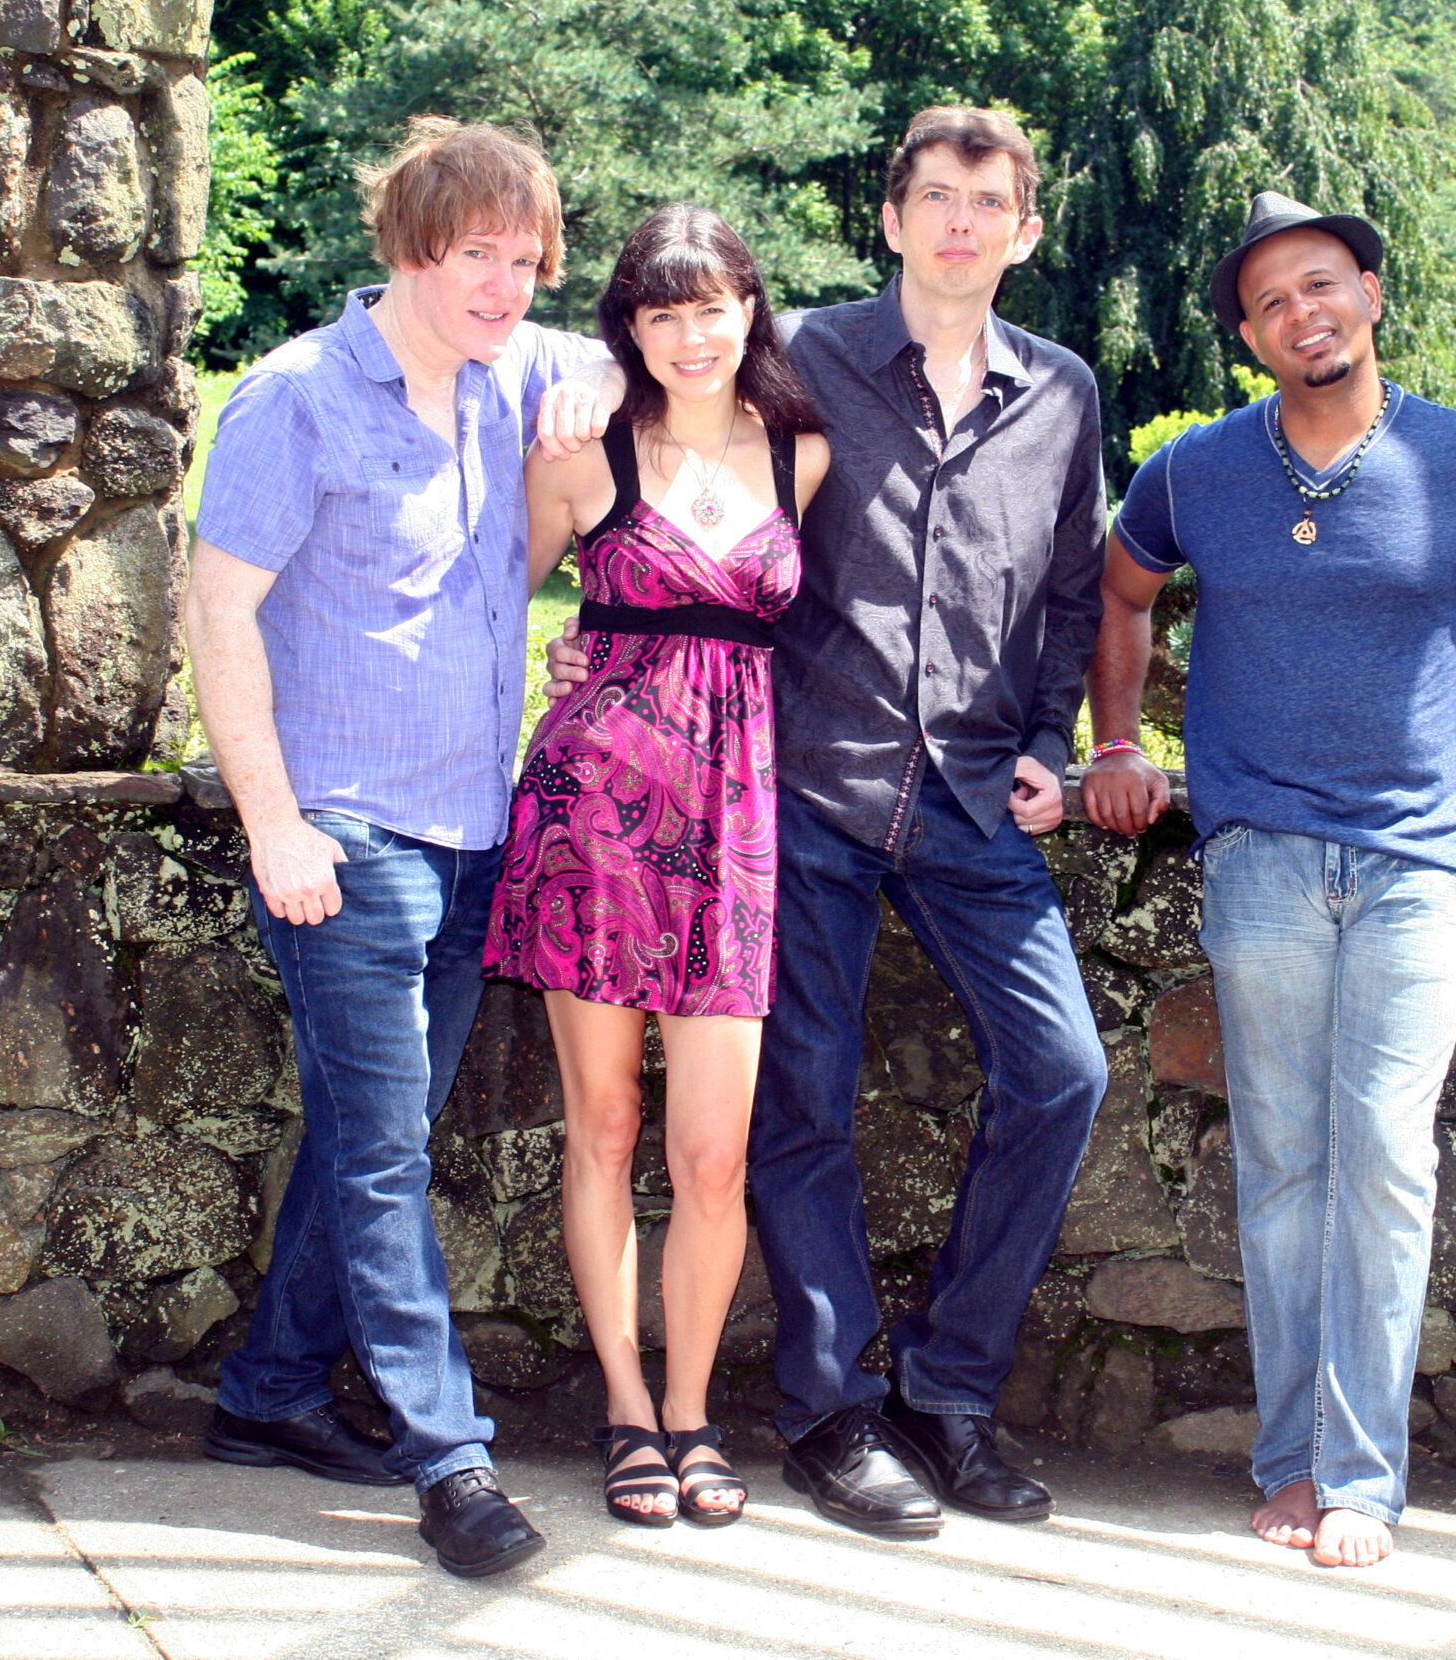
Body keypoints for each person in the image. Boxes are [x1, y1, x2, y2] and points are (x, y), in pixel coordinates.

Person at [539, 108, 1109, 1538]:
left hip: (975, 794)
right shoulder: (807, 361)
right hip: (801, 788)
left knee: (1063, 1073)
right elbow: (667, 368)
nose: (962, 221)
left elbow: (1073, 593)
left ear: (1026, 229)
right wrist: (587, 373)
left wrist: (1055, 743)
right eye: (937, 196)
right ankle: (830, 1414)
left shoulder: (1064, 390)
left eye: (989, 201)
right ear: (894, 219)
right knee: (800, 1100)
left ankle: (947, 1392)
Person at [1080, 191, 1456, 1567]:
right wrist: (1116, 744)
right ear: (1249, 337)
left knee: (1385, 1157)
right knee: (1283, 1163)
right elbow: (1119, 594)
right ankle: (1291, 1463)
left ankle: (1361, 1480)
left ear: (1372, 295)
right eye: (1271, 303)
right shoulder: (1192, 472)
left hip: (1416, 863)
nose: (1303, 315)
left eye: (1322, 284)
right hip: (1258, 853)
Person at [183, 116, 606, 1579]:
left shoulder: (517, 373)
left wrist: (593, 388)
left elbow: (653, 357)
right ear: (413, 249)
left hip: (473, 829)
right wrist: (276, 825)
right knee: (381, 1159)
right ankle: (451, 1460)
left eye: (527, 261)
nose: (506, 285)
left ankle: (268, 1394)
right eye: (478, 254)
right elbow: (217, 611)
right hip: (346, 839)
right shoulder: (298, 396)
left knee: (379, 1138)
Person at [485, 204, 830, 1527]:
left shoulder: (801, 453)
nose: (691, 336)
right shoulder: (581, 452)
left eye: (712, 309)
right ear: (628, 327)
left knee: (713, 1152)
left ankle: (695, 1413)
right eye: (661, 313)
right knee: (607, 1125)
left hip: (734, 830)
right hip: (596, 823)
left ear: (751, 312)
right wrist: (557, 657)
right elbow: (487, 608)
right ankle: (628, 1409)